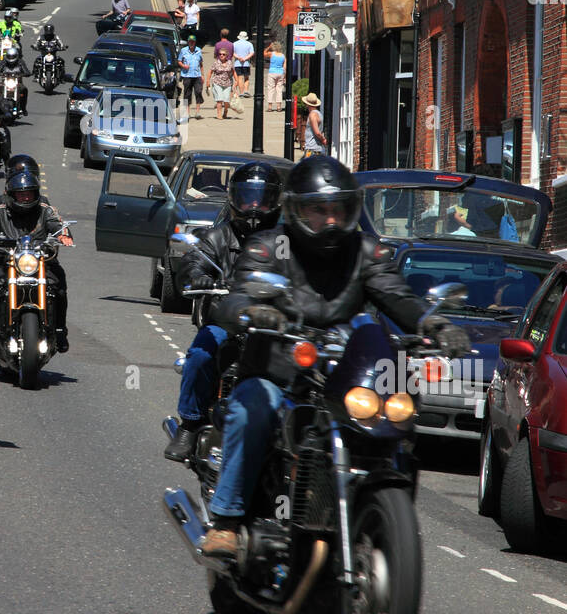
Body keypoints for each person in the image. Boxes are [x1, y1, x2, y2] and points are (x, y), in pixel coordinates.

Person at [200, 156, 472, 558]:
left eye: (338, 209)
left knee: (394, 418)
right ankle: (226, 519)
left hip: (345, 373)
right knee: (251, 409)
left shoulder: (365, 251)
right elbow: (236, 295)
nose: (330, 220)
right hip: (279, 373)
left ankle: (377, 521)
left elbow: (397, 295)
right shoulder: (268, 246)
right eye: (318, 209)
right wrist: (252, 312)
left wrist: (433, 326)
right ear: (295, 209)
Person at [164, 163, 283, 462]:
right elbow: (193, 263)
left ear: (275, 202)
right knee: (201, 355)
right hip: (226, 321)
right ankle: (190, 425)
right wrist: (197, 276)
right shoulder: (219, 237)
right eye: (247, 198)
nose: (254, 207)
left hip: (274, 325)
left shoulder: (285, 240)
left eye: (262, 199)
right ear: (234, 199)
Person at [0, 164, 73, 352]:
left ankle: (60, 330)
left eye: (29, 193)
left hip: (39, 260)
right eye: (21, 194)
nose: (25, 197)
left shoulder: (45, 208)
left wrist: (63, 234)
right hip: (6, 260)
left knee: (59, 287)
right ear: (11, 194)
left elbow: (57, 223)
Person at [0, 44, 30, 116]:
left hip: (17, 83)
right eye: (9, 56)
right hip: (4, 83)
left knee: (24, 90)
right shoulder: (4, 61)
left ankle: (23, 108)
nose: (11, 58)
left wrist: (26, 73)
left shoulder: (20, 62)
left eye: (12, 57)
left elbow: (26, 71)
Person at [178, 35, 204, 120]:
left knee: (198, 92)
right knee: (187, 94)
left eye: (193, 41)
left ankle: (197, 112)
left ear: (195, 42)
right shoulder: (183, 50)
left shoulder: (199, 50)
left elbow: (201, 64)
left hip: (197, 75)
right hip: (187, 75)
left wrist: (202, 75)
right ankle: (188, 113)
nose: (191, 43)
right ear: (188, 42)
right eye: (190, 41)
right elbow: (179, 61)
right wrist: (184, 66)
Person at [206, 49, 234, 121]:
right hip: (217, 82)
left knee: (226, 100)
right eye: (220, 54)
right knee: (219, 99)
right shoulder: (216, 63)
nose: (221, 55)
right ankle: (219, 114)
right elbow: (210, 72)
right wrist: (208, 81)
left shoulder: (230, 63)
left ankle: (225, 111)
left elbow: (234, 72)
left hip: (227, 83)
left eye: (223, 54)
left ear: (226, 56)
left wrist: (236, 81)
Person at [301, 91, 327, 155]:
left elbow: (317, 133)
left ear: (307, 104)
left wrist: (323, 140)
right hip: (317, 148)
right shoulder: (319, 113)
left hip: (312, 149)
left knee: (309, 165)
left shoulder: (313, 115)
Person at [265, 37, 286, 112]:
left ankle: (270, 107)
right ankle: (279, 107)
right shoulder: (283, 56)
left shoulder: (271, 54)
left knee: (271, 89)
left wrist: (268, 47)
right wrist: (284, 76)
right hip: (280, 73)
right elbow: (284, 67)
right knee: (279, 90)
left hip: (272, 72)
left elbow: (264, 53)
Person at [232, 30, 254, 96]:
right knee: (246, 78)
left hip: (237, 63)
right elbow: (252, 53)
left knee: (240, 77)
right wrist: (245, 58)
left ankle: (241, 92)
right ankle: (246, 91)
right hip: (246, 63)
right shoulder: (249, 44)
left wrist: (239, 57)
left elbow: (232, 52)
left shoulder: (235, 43)